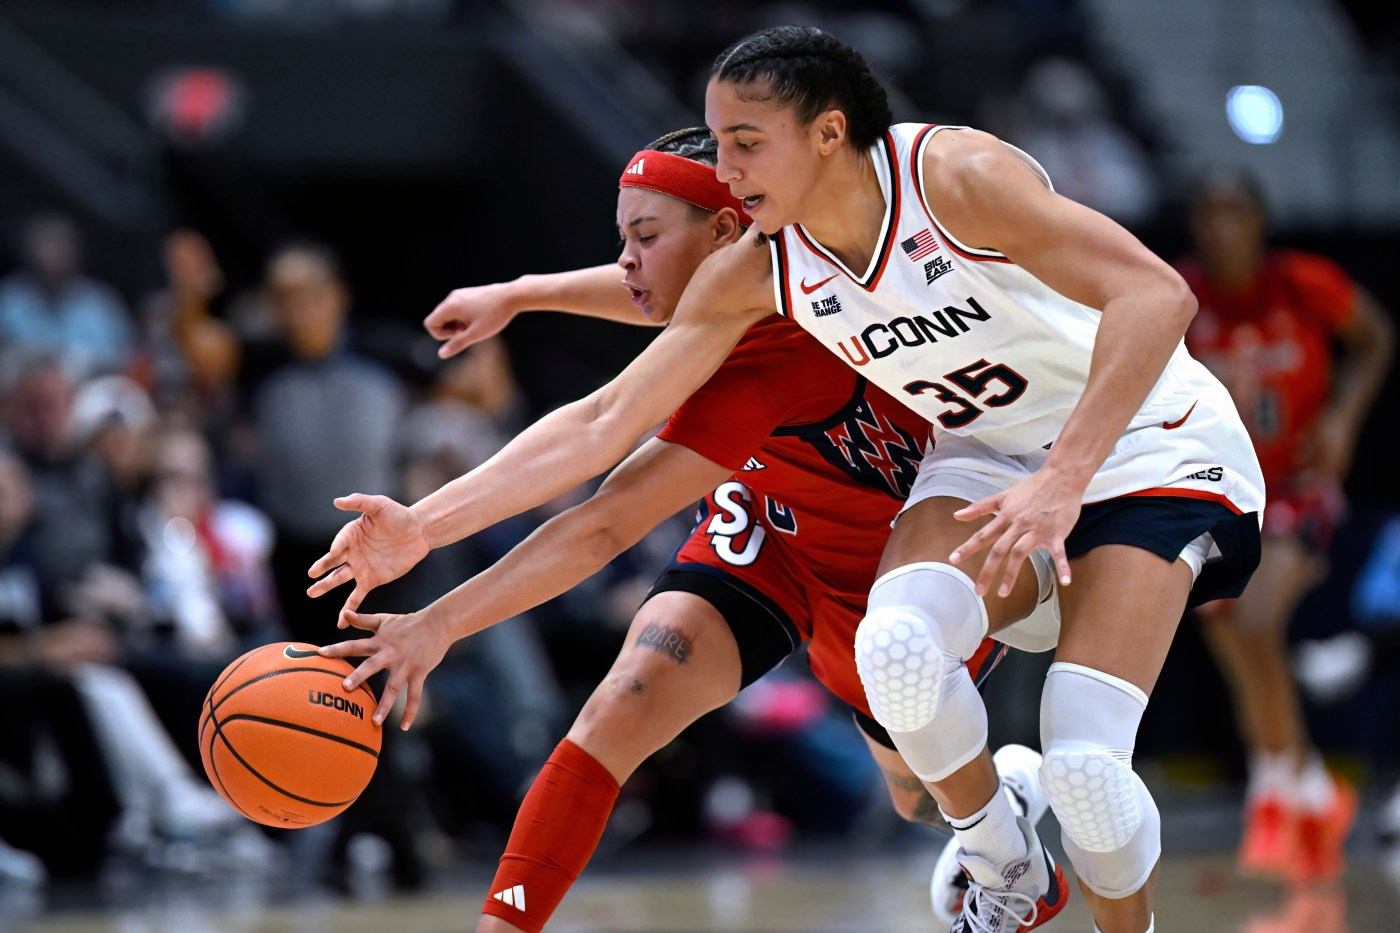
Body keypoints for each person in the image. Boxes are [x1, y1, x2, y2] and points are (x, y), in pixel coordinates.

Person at [317, 26, 1264, 933]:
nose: (727, 167)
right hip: (896, 484)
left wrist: (1065, 475)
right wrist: (434, 504)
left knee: (1012, 777)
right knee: (762, 674)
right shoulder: (762, 259)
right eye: (719, 144)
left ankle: (1044, 840)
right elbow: (610, 399)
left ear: (825, 133)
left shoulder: (938, 188)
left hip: (1065, 466)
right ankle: (1003, 857)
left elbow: (1157, 292)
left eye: (744, 143)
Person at [313, 127, 1057, 933]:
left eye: (645, 235)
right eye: (622, 237)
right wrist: (524, 292)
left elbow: (602, 504)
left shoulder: (780, 350)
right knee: (624, 699)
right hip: (767, 534)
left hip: (881, 568)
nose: (626, 261)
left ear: (727, 234)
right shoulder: (733, 272)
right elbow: (646, 293)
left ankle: (1004, 808)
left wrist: (435, 605)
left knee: (918, 796)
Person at [1177, 167, 1395, 884]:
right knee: (1225, 627)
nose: (1221, 225)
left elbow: (1376, 337)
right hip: (1223, 491)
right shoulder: (1180, 295)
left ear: (1259, 221)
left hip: (1299, 485)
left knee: (1253, 617)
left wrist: (1342, 418)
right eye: (1208, 211)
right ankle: (1301, 784)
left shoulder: (1303, 282)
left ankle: (1279, 785)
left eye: (1233, 210)